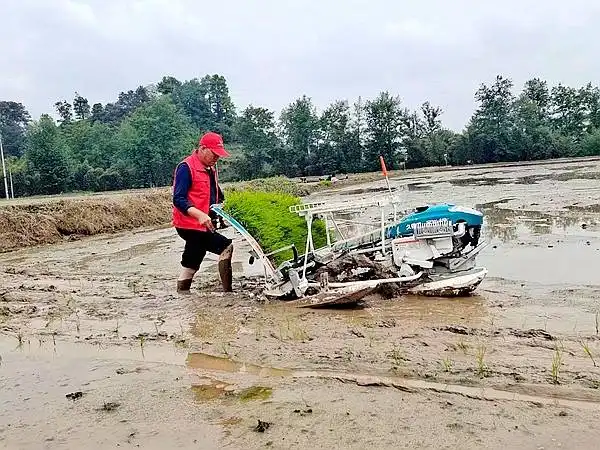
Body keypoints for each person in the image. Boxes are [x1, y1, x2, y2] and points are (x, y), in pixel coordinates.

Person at [171, 131, 233, 293]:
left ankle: (182, 294)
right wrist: (199, 215)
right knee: (226, 246)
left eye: (219, 155)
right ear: (202, 148)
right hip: (190, 225)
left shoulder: (210, 169)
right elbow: (178, 199)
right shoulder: (186, 167)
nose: (216, 158)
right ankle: (228, 293)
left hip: (204, 225)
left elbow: (215, 192)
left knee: (191, 264)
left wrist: (228, 205)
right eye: (214, 154)